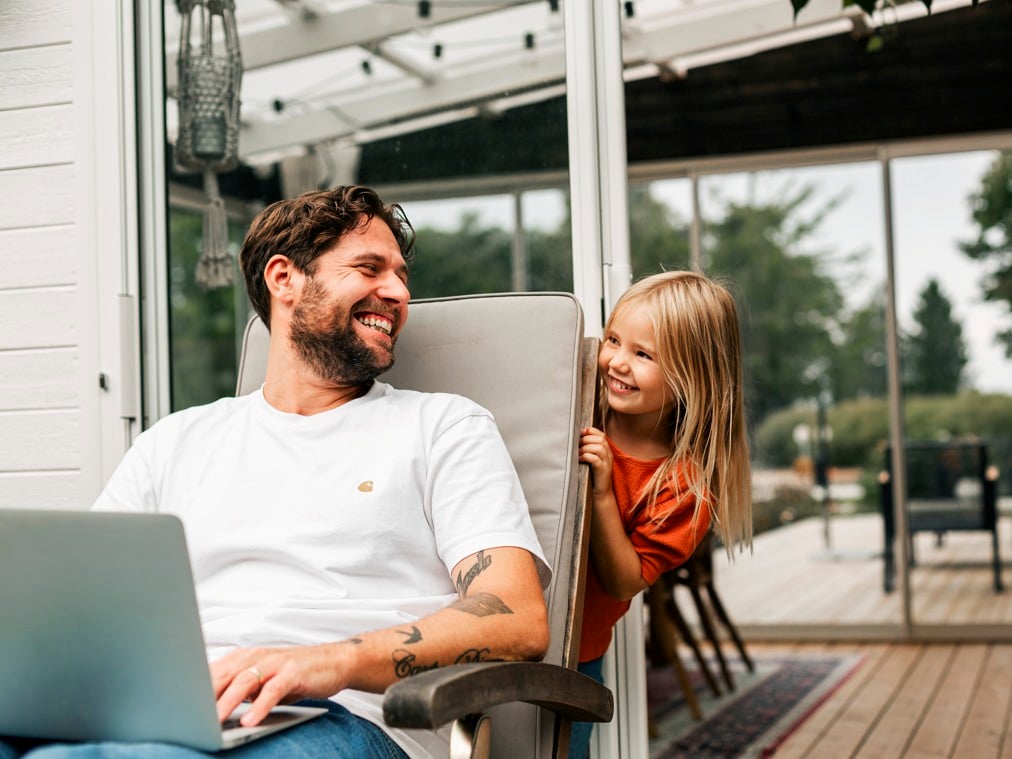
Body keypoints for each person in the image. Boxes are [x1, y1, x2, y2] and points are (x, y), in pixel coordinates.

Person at [1, 186, 550, 759]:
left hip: (348, 719)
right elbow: (81, 605)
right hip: (174, 709)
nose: (397, 292)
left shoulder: (444, 428)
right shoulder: (174, 443)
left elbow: (515, 615)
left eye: (401, 275)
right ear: (283, 278)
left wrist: (327, 661)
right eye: (370, 268)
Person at [568, 271, 753, 759]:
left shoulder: (683, 487)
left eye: (643, 354)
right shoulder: (578, 403)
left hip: (574, 653)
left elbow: (626, 581)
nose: (617, 362)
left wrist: (604, 493)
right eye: (613, 340)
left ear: (691, 377)